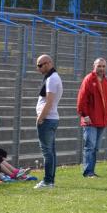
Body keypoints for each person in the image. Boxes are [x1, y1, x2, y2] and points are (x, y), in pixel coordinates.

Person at [76, 57, 107, 177]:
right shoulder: (88, 79)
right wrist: (84, 115)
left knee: (96, 147)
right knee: (90, 146)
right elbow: (81, 98)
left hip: (102, 119)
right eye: (99, 66)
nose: (101, 68)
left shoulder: (106, 81)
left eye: (103, 66)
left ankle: (91, 171)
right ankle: (88, 172)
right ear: (94, 66)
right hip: (90, 120)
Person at [34, 54, 63, 190]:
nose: (38, 68)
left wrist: (41, 118)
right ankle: (50, 180)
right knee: (51, 151)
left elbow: (49, 102)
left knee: (47, 152)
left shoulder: (52, 79)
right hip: (51, 118)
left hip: (47, 119)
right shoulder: (52, 77)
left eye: (40, 65)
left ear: (48, 63)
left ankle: (47, 181)